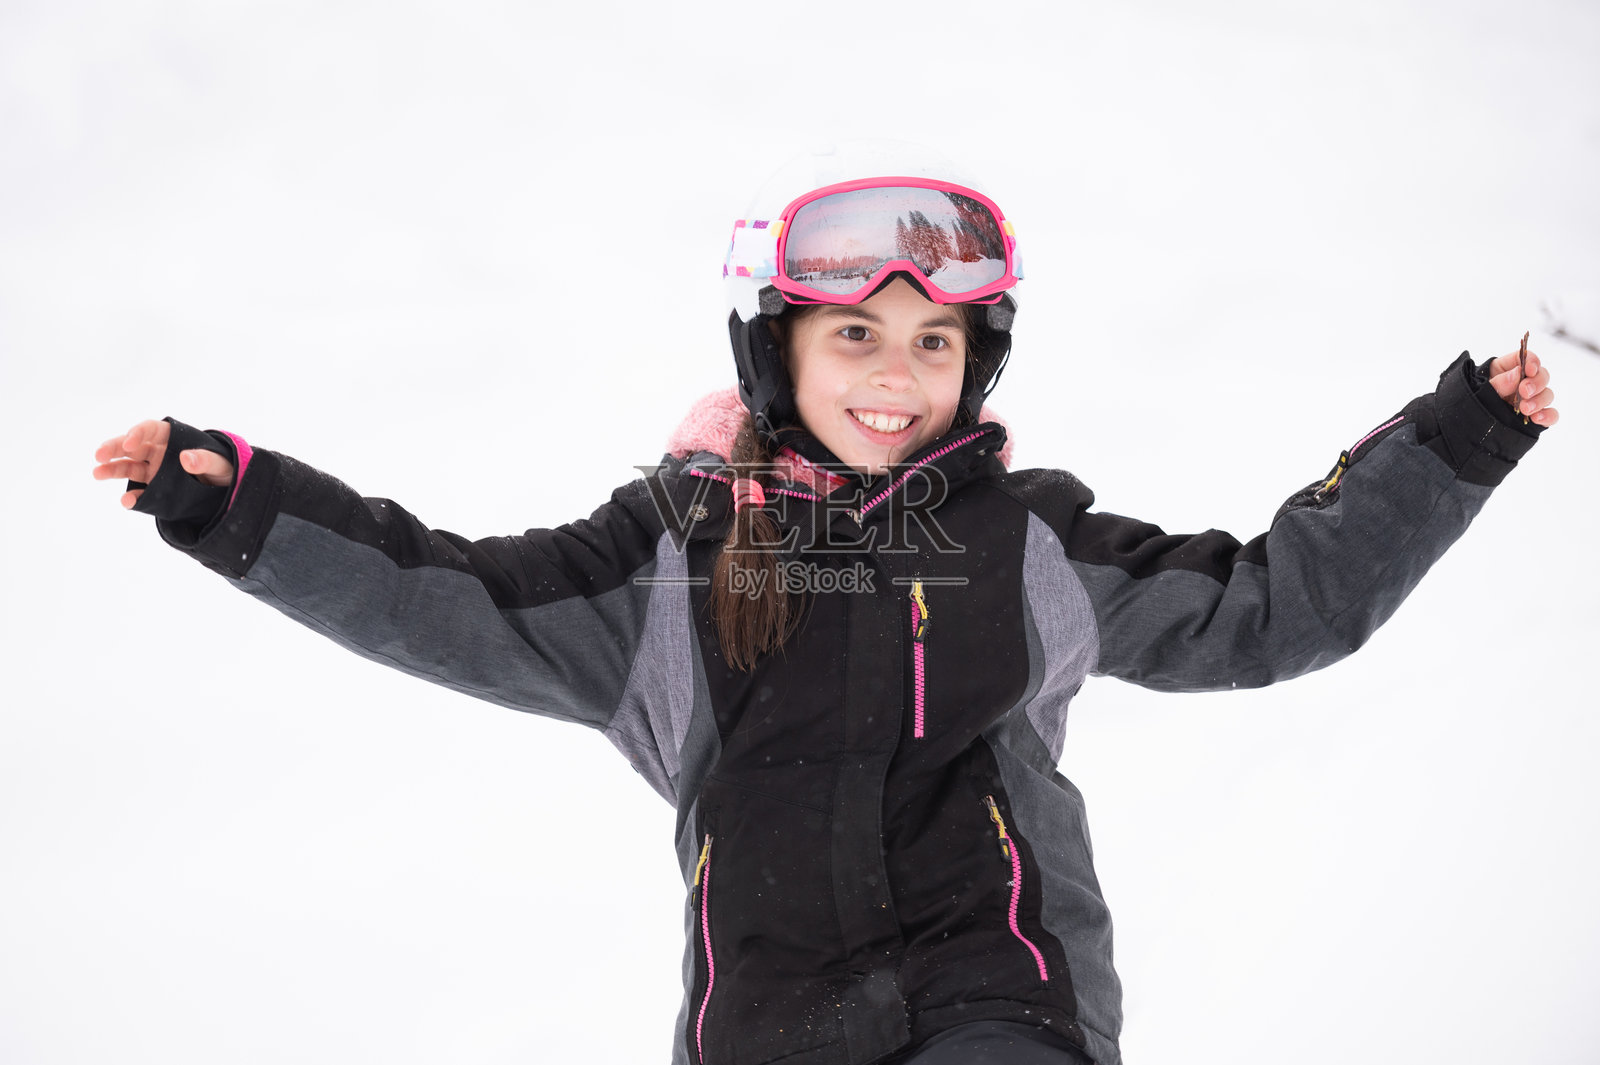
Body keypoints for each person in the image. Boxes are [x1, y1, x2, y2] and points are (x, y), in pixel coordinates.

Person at [92, 144, 1558, 1065]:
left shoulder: (1025, 539)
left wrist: (1450, 444)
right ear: (772, 351)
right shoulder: (664, 558)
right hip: (769, 1021)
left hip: (1004, 996)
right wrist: (239, 500)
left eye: (933, 342)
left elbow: (1265, 610)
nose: (894, 374)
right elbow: (445, 597)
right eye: (853, 334)